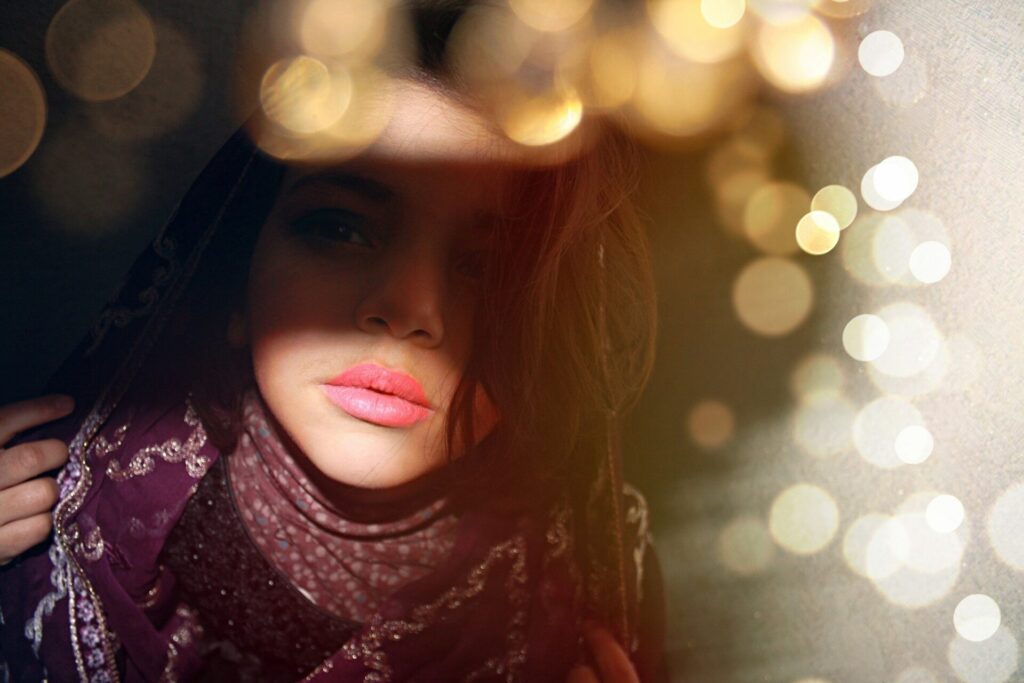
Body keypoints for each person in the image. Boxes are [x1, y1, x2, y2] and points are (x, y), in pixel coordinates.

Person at [0, 3, 664, 681]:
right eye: (341, 228)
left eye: (487, 271)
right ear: (235, 279)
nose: (408, 310)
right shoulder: (60, 518)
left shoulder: (583, 595)